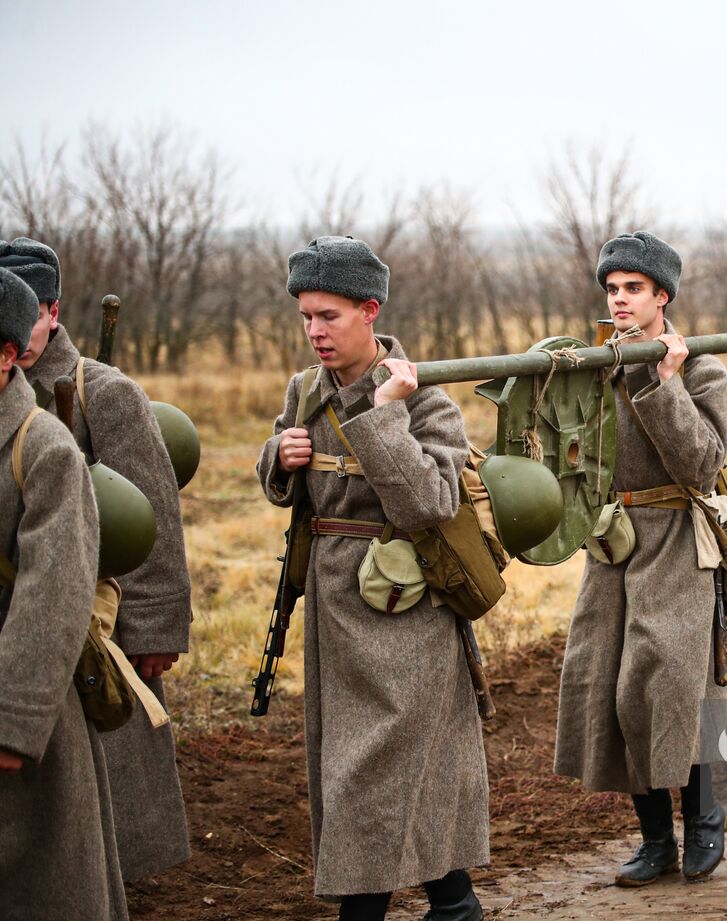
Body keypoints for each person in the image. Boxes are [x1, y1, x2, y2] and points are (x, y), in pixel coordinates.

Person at [256, 236, 487, 921]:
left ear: (369, 310)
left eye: (328, 315)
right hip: (333, 608)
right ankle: (455, 903)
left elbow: (432, 503)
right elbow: (287, 490)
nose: (315, 331)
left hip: (405, 611)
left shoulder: (426, 395)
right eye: (306, 316)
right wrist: (279, 457)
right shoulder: (305, 391)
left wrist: (387, 412)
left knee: (375, 778)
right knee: (374, 775)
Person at [2, 235, 194, 881]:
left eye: (26, 311)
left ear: (52, 309)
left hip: (101, 629)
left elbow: (155, 519)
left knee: (111, 778)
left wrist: (157, 629)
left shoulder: (102, 391)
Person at [554, 232, 727, 886]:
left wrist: (664, 384)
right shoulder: (595, 365)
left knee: (670, 688)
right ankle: (656, 839)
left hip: (677, 538)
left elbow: (704, 464)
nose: (620, 299)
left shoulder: (703, 367)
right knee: (614, 689)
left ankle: (704, 818)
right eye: (612, 288)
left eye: (633, 288)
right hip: (612, 543)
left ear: (662, 295)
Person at [0, 266, 122, 918]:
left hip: (25, 701)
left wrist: (14, 722)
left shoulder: (43, 448)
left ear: (6, 354)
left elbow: (53, 592)